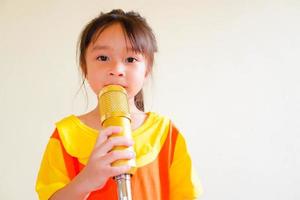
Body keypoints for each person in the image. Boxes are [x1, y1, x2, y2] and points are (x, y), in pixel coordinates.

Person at [35, 9, 202, 200]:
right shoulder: (65, 135)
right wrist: (86, 180)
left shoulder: (166, 135)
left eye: (130, 59)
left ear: (146, 70)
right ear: (84, 67)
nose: (116, 70)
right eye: (103, 58)